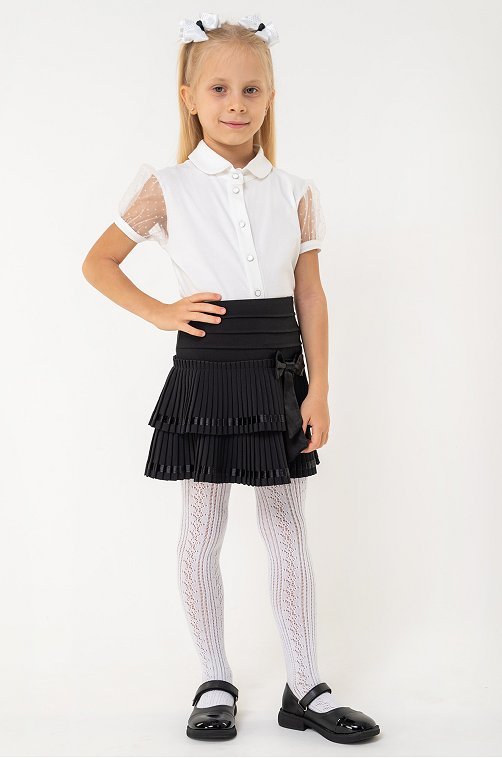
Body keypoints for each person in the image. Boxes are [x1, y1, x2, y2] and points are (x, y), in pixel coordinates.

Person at [82, 11, 380, 745]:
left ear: (271, 97)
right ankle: (214, 678)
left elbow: (311, 294)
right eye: (219, 88)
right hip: (207, 371)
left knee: (286, 528)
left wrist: (320, 388)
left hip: (279, 370)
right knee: (202, 524)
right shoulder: (167, 185)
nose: (236, 104)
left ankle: (305, 684)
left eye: (251, 89)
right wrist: (161, 313)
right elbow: (98, 263)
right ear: (189, 97)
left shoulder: (295, 190)